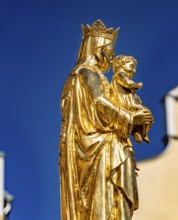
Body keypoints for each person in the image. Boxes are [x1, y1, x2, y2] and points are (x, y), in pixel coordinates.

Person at [59, 20, 153, 220]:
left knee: (113, 204)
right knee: (102, 204)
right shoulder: (86, 73)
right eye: (109, 52)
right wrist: (129, 117)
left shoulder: (94, 76)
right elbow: (100, 104)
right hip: (97, 150)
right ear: (97, 49)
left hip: (102, 146)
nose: (111, 58)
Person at [111, 55, 152, 144]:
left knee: (148, 117)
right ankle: (139, 132)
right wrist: (137, 85)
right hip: (126, 103)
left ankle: (141, 132)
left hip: (132, 102)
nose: (134, 70)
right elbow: (127, 83)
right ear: (121, 64)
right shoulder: (119, 74)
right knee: (145, 114)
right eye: (132, 66)